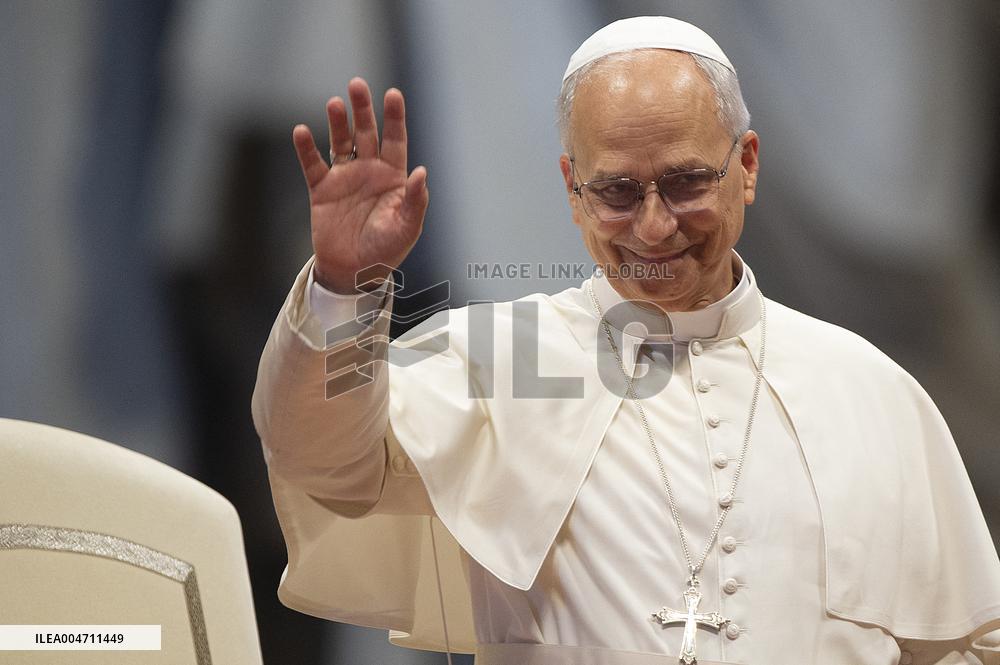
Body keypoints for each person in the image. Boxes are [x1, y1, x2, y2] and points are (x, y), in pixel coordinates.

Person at [252, 16, 1000, 665]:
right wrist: (343, 288)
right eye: (616, 191)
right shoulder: (503, 362)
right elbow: (324, 459)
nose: (652, 225)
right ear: (572, 190)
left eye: (684, 183)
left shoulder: (870, 390)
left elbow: (962, 640)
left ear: (746, 167)